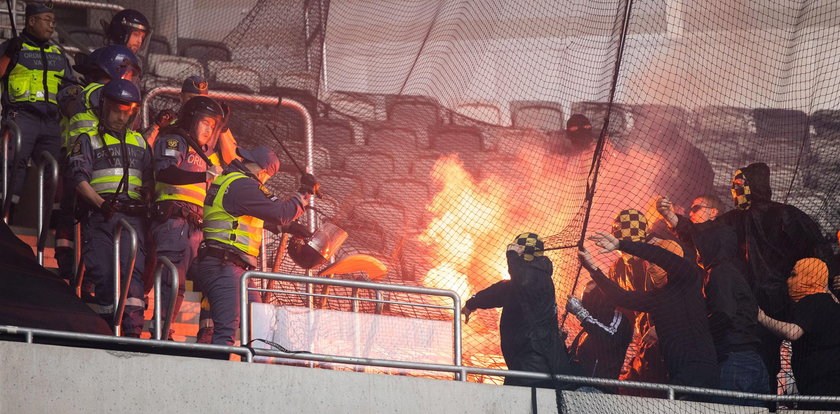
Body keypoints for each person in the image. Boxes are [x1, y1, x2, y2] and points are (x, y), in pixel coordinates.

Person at [657, 162, 833, 394]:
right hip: (748, 303)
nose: (734, 191)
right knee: (759, 359)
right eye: (732, 186)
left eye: (739, 185)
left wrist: (830, 279)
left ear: (755, 186)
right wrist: (672, 217)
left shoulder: (786, 215)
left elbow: (817, 247)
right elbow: (704, 232)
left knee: (804, 358)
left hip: (783, 302)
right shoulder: (733, 220)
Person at [187, 145, 316, 347]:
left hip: (230, 266)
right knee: (227, 330)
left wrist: (291, 228)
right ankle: (218, 375)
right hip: (225, 265)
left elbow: (252, 220)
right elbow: (280, 213)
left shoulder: (231, 181)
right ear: (264, 172)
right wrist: (303, 193)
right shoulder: (243, 185)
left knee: (260, 327)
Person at [578, 231, 719, 396]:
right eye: (648, 264)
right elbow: (621, 297)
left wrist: (620, 245)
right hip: (678, 376)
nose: (650, 268)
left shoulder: (688, 277)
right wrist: (593, 269)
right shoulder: (659, 298)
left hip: (700, 371)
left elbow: (659, 254)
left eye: (654, 263)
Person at [67, 79, 152, 336]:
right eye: (117, 110)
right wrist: (101, 204)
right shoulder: (88, 140)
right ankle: (106, 331)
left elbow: (150, 180)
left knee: (132, 278)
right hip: (101, 216)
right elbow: (78, 178)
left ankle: (133, 333)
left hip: (133, 219)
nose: (122, 116)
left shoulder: (140, 142)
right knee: (103, 273)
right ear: (104, 107)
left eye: (128, 112)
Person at [53, 45, 142, 281]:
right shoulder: (100, 92)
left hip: (81, 157)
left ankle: (68, 264)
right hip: (92, 159)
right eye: (129, 74)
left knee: (71, 213)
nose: (130, 81)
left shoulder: (79, 92)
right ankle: (77, 270)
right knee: (79, 215)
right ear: (117, 69)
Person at [148, 96, 226, 339]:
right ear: (192, 119)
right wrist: (204, 176)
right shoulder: (175, 139)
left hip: (197, 226)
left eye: (212, 126)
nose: (208, 129)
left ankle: (203, 333)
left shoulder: (207, 155)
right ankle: (161, 330)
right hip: (174, 220)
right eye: (205, 122)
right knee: (172, 280)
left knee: (208, 281)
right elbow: (165, 172)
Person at [461, 233, 578, 389]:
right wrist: (471, 304)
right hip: (534, 362)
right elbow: (499, 291)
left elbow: (519, 281)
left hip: (535, 363)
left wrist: (512, 255)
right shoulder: (533, 278)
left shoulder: (533, 279)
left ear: (522, 253)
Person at [0, 1, 76, 221]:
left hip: (51, 122)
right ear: (31, 21)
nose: (52, 26)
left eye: (54, 21)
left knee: (53, 171)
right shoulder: (11, 46)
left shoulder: (57, 53)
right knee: (13, 165)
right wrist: (8, 56)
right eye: (47, 20)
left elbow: (69, 87)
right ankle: (6, 217)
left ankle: (49, 222)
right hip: (21, 117)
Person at [758, 258, 840, 410]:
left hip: (820, 389)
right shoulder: (831, 303)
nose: (789, 280)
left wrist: (762, 318)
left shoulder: (813, 300)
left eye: (794, 275)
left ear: (808, 277)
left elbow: (793, 332)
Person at [144, 75, 239, 164]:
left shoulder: (213, 124)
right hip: (180, 175)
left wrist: (222, 126)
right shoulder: (169, 121)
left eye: (202, 99)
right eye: (191, 98)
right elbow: (142, 153)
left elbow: (233, 160)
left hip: (212, 177)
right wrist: (156, 125)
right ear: (181, 97)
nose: (198, 103)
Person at [566, 279, 633, 393]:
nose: (585, 299)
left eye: (590, 295)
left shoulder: (620, 320)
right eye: (585, 295)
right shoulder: (586, 329)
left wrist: (581, 313)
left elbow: (608, 338)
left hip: (599, 390)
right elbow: (573, 361)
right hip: (576, 387)